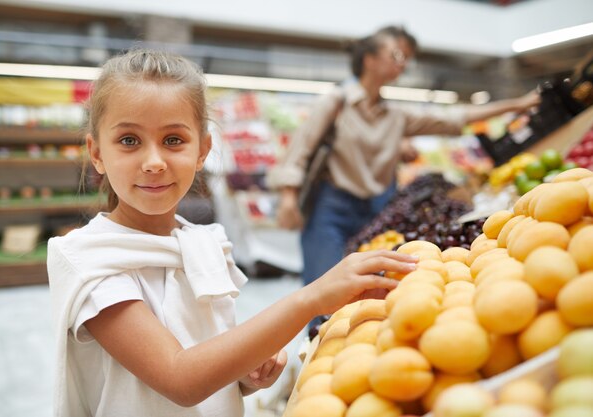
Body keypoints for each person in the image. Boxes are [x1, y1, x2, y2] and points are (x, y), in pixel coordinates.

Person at [46, 49, 418, 417]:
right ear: (96, 153)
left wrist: (247, 373)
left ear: (202, 150)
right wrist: (313, 298)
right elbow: (180, 379)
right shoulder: (92, 261)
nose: (154, 162)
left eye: (173, 139)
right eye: (129, 140)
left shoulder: (203, 242)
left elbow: (210, 356)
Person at [266, 26, 541, 329]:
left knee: (366, 291)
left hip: (375, 209)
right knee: (322, 291)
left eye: (407, 58)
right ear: (369, 59)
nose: (403, 64)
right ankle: (314, 355)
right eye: (396, 55)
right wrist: (289, 197)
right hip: (331, 208)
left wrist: (519, 104)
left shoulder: (394, 115)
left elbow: (454, 118)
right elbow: (300, 147)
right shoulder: (336, 102)